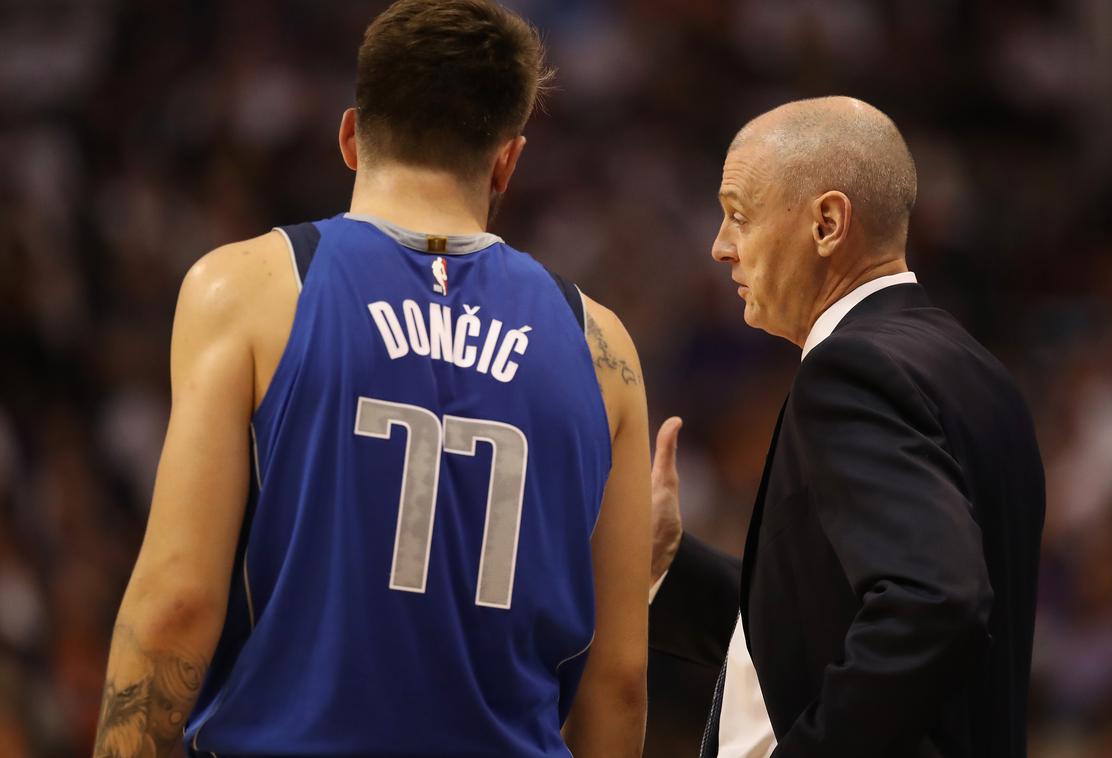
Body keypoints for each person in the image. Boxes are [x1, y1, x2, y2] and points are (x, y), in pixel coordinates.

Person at [91, 2, 651, 756]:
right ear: (507, 161)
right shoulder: (599, 343)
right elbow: (618, 680)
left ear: (351, 136)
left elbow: (177, 604)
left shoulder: (248, 287)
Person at [648, 97, 1045, 757]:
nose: (720, 247)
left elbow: (934, 603)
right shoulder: (978, 372)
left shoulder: (851, 370)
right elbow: (818, 638)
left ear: (827, 223)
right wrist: (666, 568)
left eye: (738, 215)